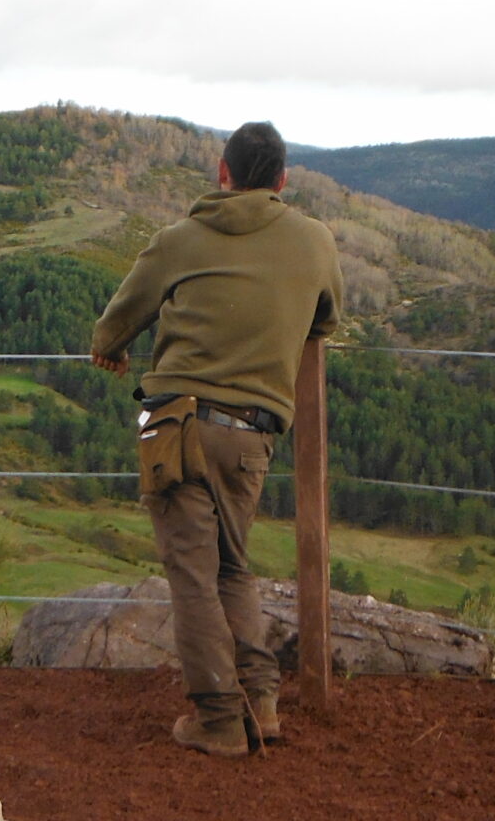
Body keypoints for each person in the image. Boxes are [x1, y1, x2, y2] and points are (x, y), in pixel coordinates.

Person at [90, 121, 343, 756]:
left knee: (192, 573)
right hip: (253, 432)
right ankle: (261, 701)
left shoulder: (178, 240)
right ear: (283, 181)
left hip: (171, 422)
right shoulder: (314, 241)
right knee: (233, 565)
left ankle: (219, 721)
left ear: (222, 173)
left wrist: (112, 352)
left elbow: (113, 324)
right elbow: (328, 317)